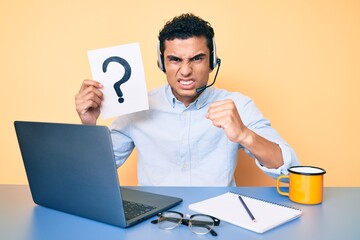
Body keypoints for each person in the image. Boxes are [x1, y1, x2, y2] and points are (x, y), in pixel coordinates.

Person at [75, 13, 299, 186]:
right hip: (156, 221)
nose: (185, 71)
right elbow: (94, 172)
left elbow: (290, 169)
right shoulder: (137, 106)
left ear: (212, 61)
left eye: (197, 58)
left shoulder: (238, 105)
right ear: (162, 64)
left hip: (218, 219)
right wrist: (88, 125)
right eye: (174, 59)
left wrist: (244, 134)